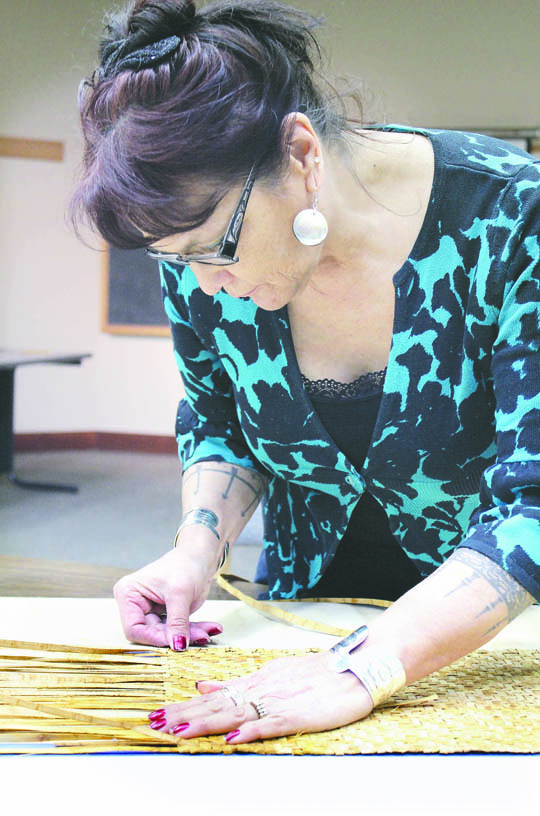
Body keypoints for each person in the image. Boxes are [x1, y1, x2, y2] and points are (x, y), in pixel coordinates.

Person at [71, 0, 540, 745]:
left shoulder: (512, 217)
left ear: (301, 154)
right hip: (297, 622)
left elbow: (534, 503)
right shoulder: (201, 254)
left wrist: (364, 667)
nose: (202, 285)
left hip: (493, 639)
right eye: (173, 259)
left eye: (210, 247)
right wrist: (194, 552)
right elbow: (220, 424)